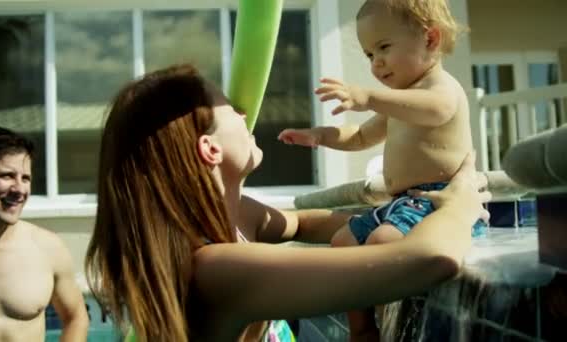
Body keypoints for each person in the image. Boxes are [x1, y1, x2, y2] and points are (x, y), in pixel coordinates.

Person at [84, 64, 490, 342]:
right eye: (230, 108)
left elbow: (306, 222)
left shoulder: (239, 220)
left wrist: (404, 212)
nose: (244, 113)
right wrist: (460, 200)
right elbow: (429, 260)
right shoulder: (218, 271)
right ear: (209, 149)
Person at [278, 1, 484, 339]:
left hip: (436, 201)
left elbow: (435, 111)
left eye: (384, 48)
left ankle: (389, 326)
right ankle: (362, 329)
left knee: (381, 241)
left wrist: (367, 97)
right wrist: (320, 136)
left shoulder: (441, 89)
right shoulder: (401, 101)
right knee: (343, 242)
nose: (376, 63)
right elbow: (360, 136)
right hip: (402, 203)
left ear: (430, 39)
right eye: (369, 55)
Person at [0, 127, 89, 341]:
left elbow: (76, 317)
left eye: (26, 178)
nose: (19, 189)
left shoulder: (48, 248)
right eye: (7, 175)